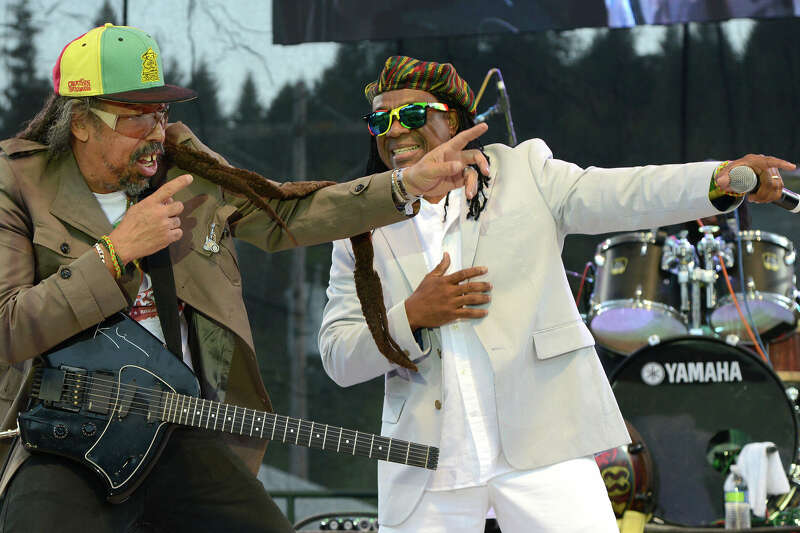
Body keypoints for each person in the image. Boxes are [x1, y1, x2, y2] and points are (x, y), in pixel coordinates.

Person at [0, 27, 490, 533]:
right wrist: (115, 253)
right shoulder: (17, 184)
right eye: (136, 117)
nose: (154, 132)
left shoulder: (183, 165)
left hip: (176, 431)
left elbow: (287, 213)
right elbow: (8, 328)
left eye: (161, 112)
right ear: (81, 122)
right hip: (60, 433)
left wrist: (405, 184)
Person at [317, 55, 791, 532]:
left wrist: (715, 180)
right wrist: (412, 316)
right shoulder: (362, 222)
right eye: (381, 119)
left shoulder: (523, 174)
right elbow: (338, 356)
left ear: (454, 118)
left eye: (413, 115)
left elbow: (625, 193)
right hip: (427, 463)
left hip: (541, 439)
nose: (395, 131)